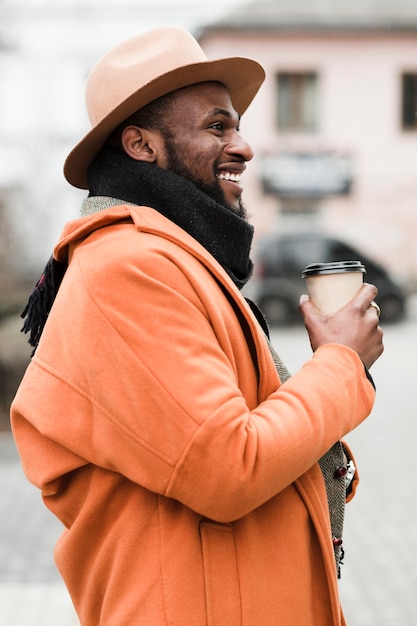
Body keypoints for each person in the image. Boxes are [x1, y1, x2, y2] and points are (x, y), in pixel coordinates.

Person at [10, 26, 383, 626]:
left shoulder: (175, 261)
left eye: (237, 126)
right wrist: (341, 364)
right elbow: (228, 468)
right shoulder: (129, 268)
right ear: (141, 145)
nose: (244, 146)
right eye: (217, 127)